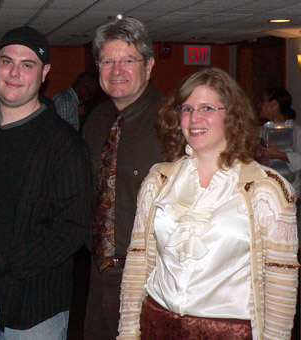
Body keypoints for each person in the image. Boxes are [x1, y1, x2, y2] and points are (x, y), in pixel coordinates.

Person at [118, 67, 299, 340]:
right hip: (157, 326)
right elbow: (137, 263)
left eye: (207, 108)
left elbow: (280, 284)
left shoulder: (265, 189)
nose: (194, 118)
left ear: (232, 116)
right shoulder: (159, 181)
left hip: (226, 332)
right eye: (187, 109)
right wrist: (128, 333)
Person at [0, 26, 94, 339]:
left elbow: (72, 228)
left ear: (44, 74)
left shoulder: (65, 144)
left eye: (27, 65)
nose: (14, 73)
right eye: (6, 61)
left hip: (34, 310)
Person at [82, 15, 165, 339]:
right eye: (107, 61)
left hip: (150, 279)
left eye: (127, 60)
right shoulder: (96, 121)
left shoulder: (173, 121)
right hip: (98, 273)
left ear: (149, 65)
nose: (116, 71)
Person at [256, 87, 301, 196]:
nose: (259, 105)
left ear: (274, 104)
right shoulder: (259, 132)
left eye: (262, 100)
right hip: (266, 192)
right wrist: (260, 159)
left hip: (290, 193)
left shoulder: (296, 131)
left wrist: (278, 155)